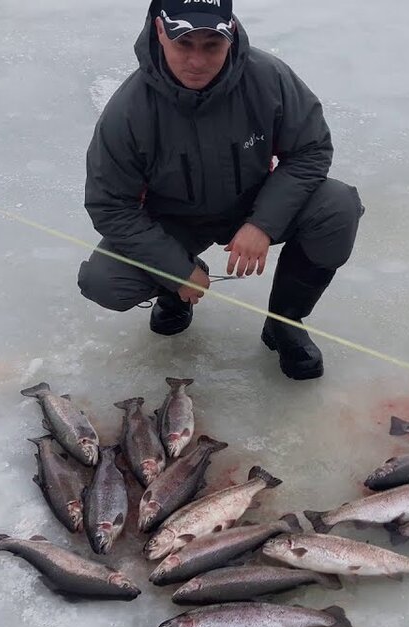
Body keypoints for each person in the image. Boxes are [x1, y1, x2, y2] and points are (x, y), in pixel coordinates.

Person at [77, 0, 364, 380]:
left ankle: (285, 321)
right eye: (184, 44)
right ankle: (173, 292)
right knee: (104, 281)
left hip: (252, 203)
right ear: (160, 32)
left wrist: (264, 223)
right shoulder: (128, 111)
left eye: (211, 44)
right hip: (173, 224)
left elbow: (310, 151)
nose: (197, 61)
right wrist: (176, 269)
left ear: (230, 33)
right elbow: (111, 206)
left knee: (338, 207)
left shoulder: (268, 78)